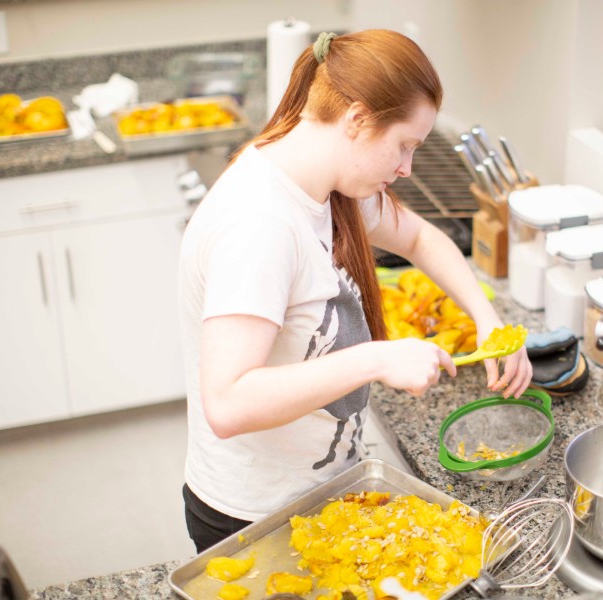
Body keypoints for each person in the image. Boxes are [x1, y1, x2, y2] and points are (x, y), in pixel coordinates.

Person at [177, 29, 533, 552]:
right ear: (357, 119)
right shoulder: (260, 225)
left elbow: (417, 236)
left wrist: (488, 317)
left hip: (318, 490)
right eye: (404, 145)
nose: (407, 167)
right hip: (254, 517)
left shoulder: (322, 183)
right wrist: (374, 359)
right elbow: (228, 404)